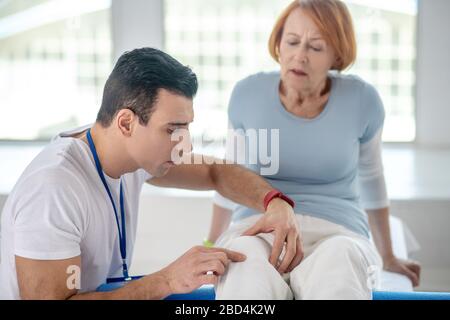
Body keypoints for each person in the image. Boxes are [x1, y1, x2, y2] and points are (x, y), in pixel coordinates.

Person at [0, 47, 302, 299]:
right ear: (126, 123)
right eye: (172, 129)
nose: (185, 142)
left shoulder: (125, 152)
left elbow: (214, 172)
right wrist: (167, 280)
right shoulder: (54, 187)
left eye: (186, 127)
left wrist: (274, 202)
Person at [207, 0, 421, 299]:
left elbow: (372, 177)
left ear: (337, 55)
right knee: (243, 263)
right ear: (278, 43)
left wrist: (387, 255)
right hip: (258, 228)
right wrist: (210, 243)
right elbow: (228, 175)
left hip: (336, 231)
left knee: (340, 262)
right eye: (292, 41)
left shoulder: (363, 100)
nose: (300, 56)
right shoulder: (247, 95)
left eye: (316, 47)